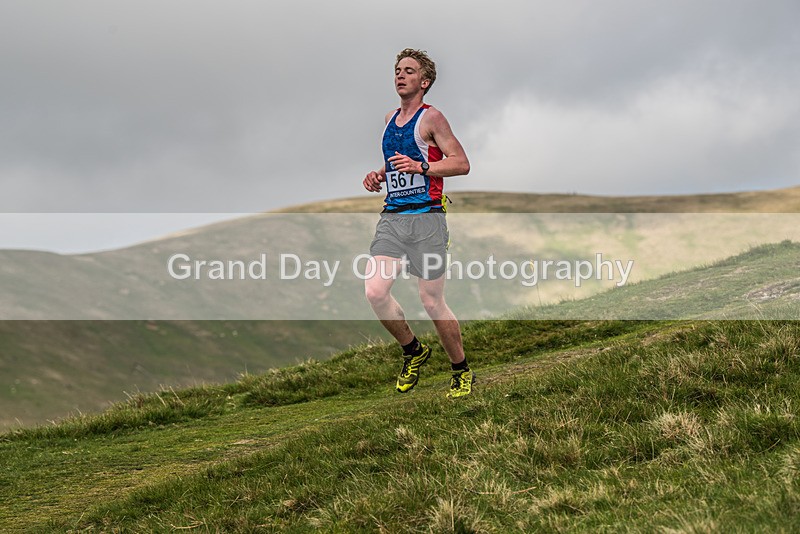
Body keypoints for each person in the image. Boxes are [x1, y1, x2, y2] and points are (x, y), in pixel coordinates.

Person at [362, 48, 474, 398]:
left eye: (409, 71)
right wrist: (378, 174)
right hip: (393, 217)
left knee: (431, 301)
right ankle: (413, 350)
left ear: (424, 82)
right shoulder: (388, 120)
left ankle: (460, 370)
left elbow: (461, 163)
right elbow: (399, 163)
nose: (400, 75)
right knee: (375, 292)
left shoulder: (433, 118)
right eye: (397, 70)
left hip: (427, 218)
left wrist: (424, 168)